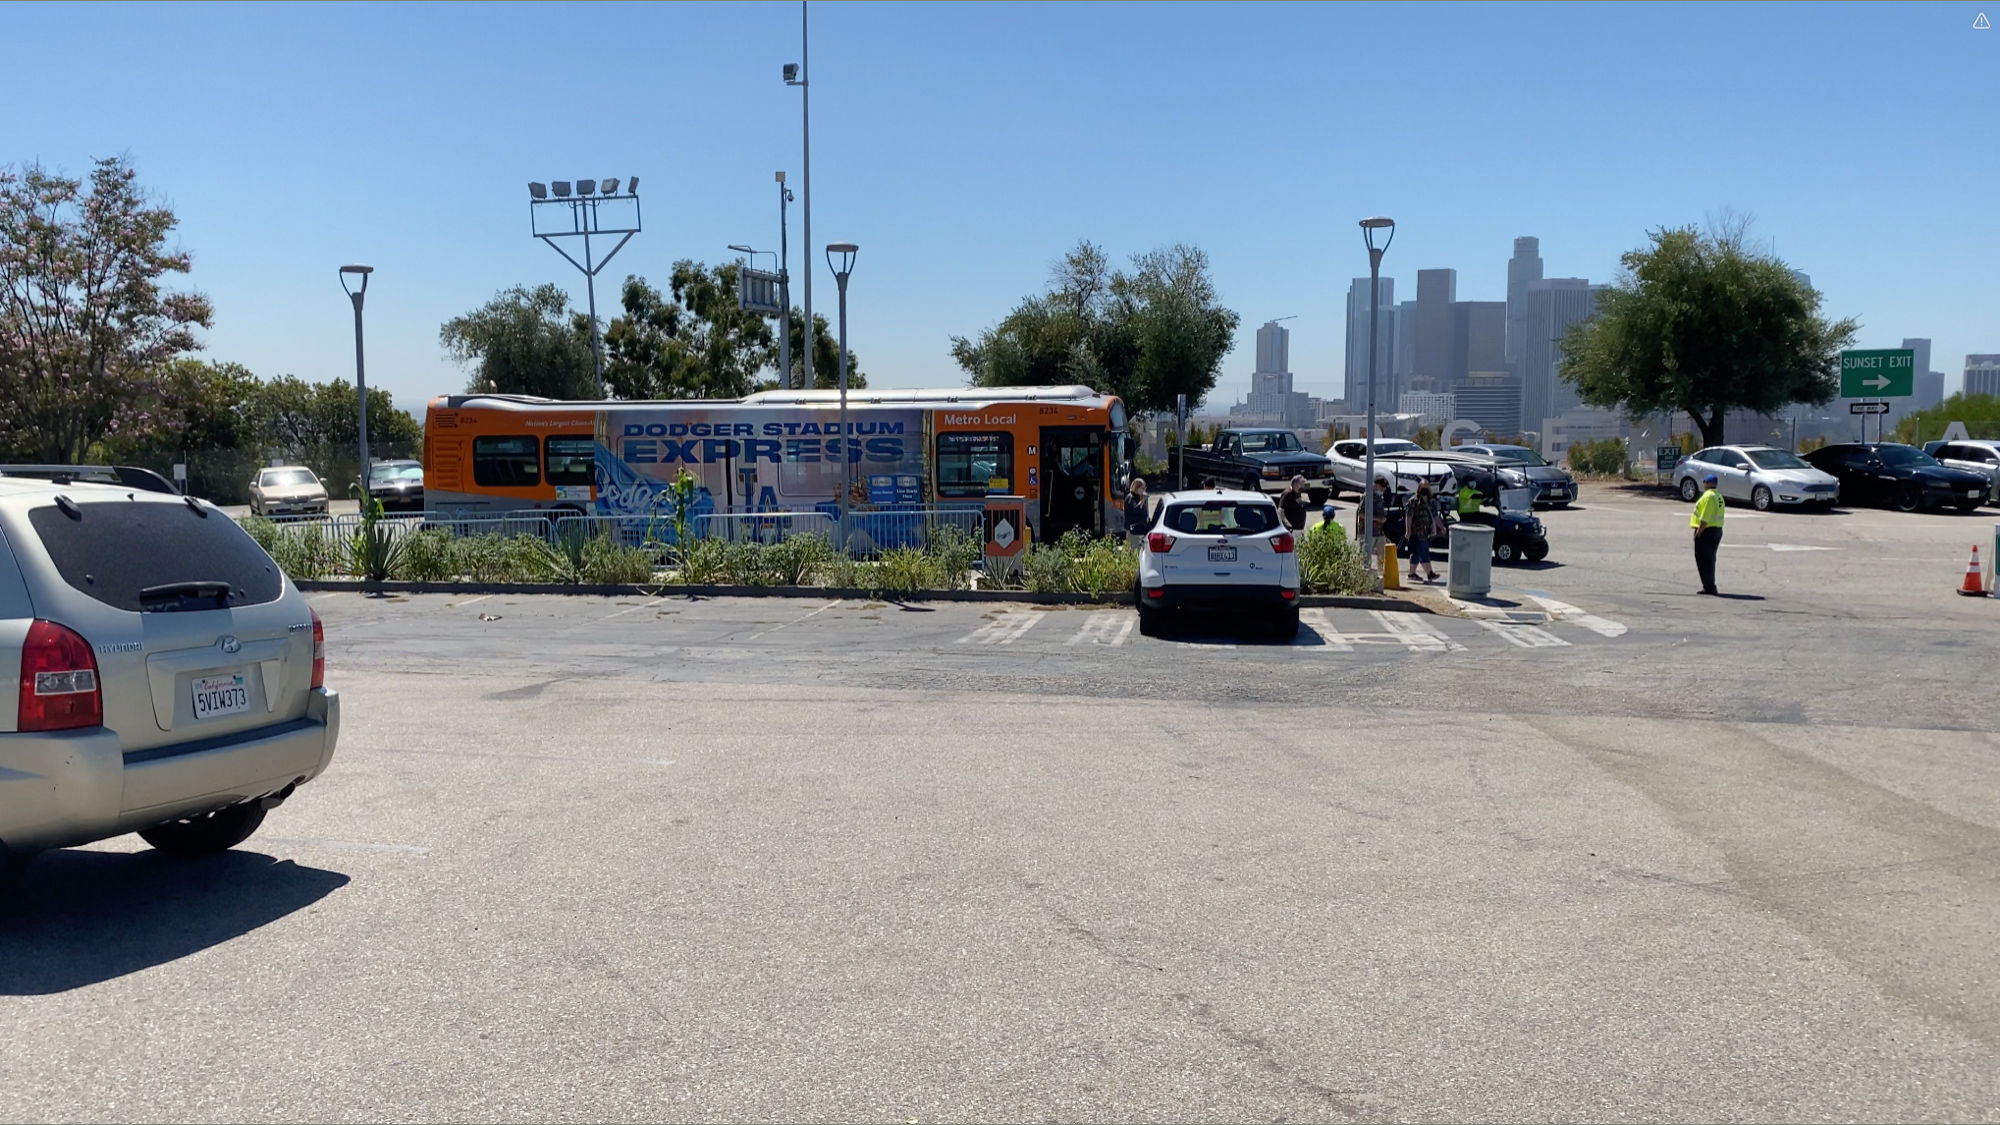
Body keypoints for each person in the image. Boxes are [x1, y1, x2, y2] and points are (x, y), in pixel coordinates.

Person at [1691, 471, 1725, 595]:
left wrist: (1698, 533)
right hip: (1716, 530)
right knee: (1710, 559)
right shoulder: (1718, 495)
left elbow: (1705, 518)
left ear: (1709, 483)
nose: (1703, 483)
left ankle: (1709, 586)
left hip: (1707, 531)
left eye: (1705, 481)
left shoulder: (1708, 496)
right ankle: (1709, 585)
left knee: (1704, 560)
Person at [1404, 481, 1441, 583]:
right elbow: (1409, 517)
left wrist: (1440, 527)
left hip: (1425, 533)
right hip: (1416, 532)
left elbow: (1435, 517)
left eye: (1426, 487)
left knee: (1421, 553)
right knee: (1419, 552)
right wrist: (1408, 531)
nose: (1425, 490)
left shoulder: (1431, 502)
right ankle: (1422, 573)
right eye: (1423, 487)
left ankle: (1427, 574)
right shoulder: (1413, 501)